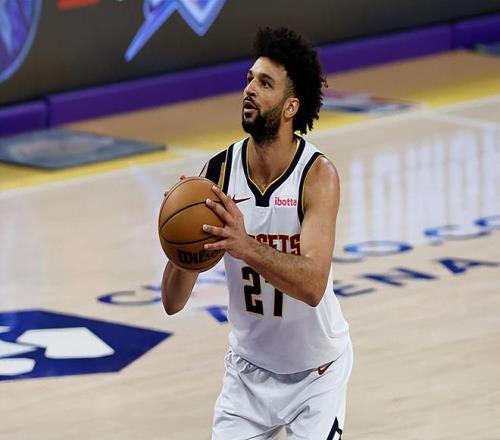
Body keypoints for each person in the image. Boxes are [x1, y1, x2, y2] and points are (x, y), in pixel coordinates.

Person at [161, 27, 352, 440]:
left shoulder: (317, 176)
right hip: (248, 376)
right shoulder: (218, 173)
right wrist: (179, 234)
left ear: (290, 107)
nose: (249, 89)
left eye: (265, 84)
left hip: (316, 375)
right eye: (249, 79)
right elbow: (173, 303)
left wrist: (245, 246)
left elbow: (313, 285)